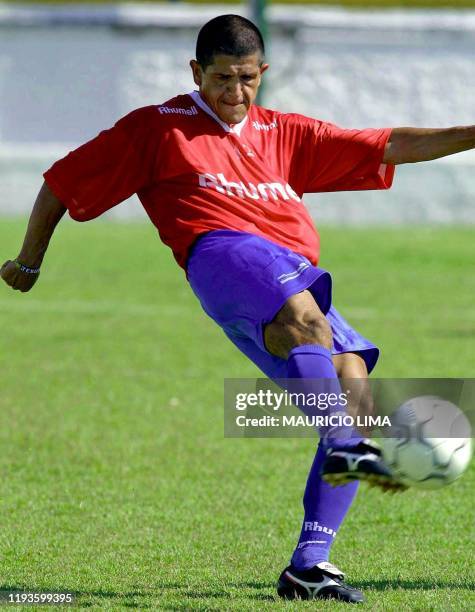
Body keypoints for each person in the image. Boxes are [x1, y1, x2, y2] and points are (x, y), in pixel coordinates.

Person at [1, 14, 474, 604]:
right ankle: (348, 446)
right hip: (221, 254)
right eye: (221, 78)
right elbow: (64, 183)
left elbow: (390, 143)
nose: (234, 92)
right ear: (196, 72)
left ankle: (310, 564)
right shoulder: (159, 128)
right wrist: (29, 260)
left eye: (247, 79)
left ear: (263, 74)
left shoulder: (284, 132)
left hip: (285, 270)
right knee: (308, 324)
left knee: (354, 382)